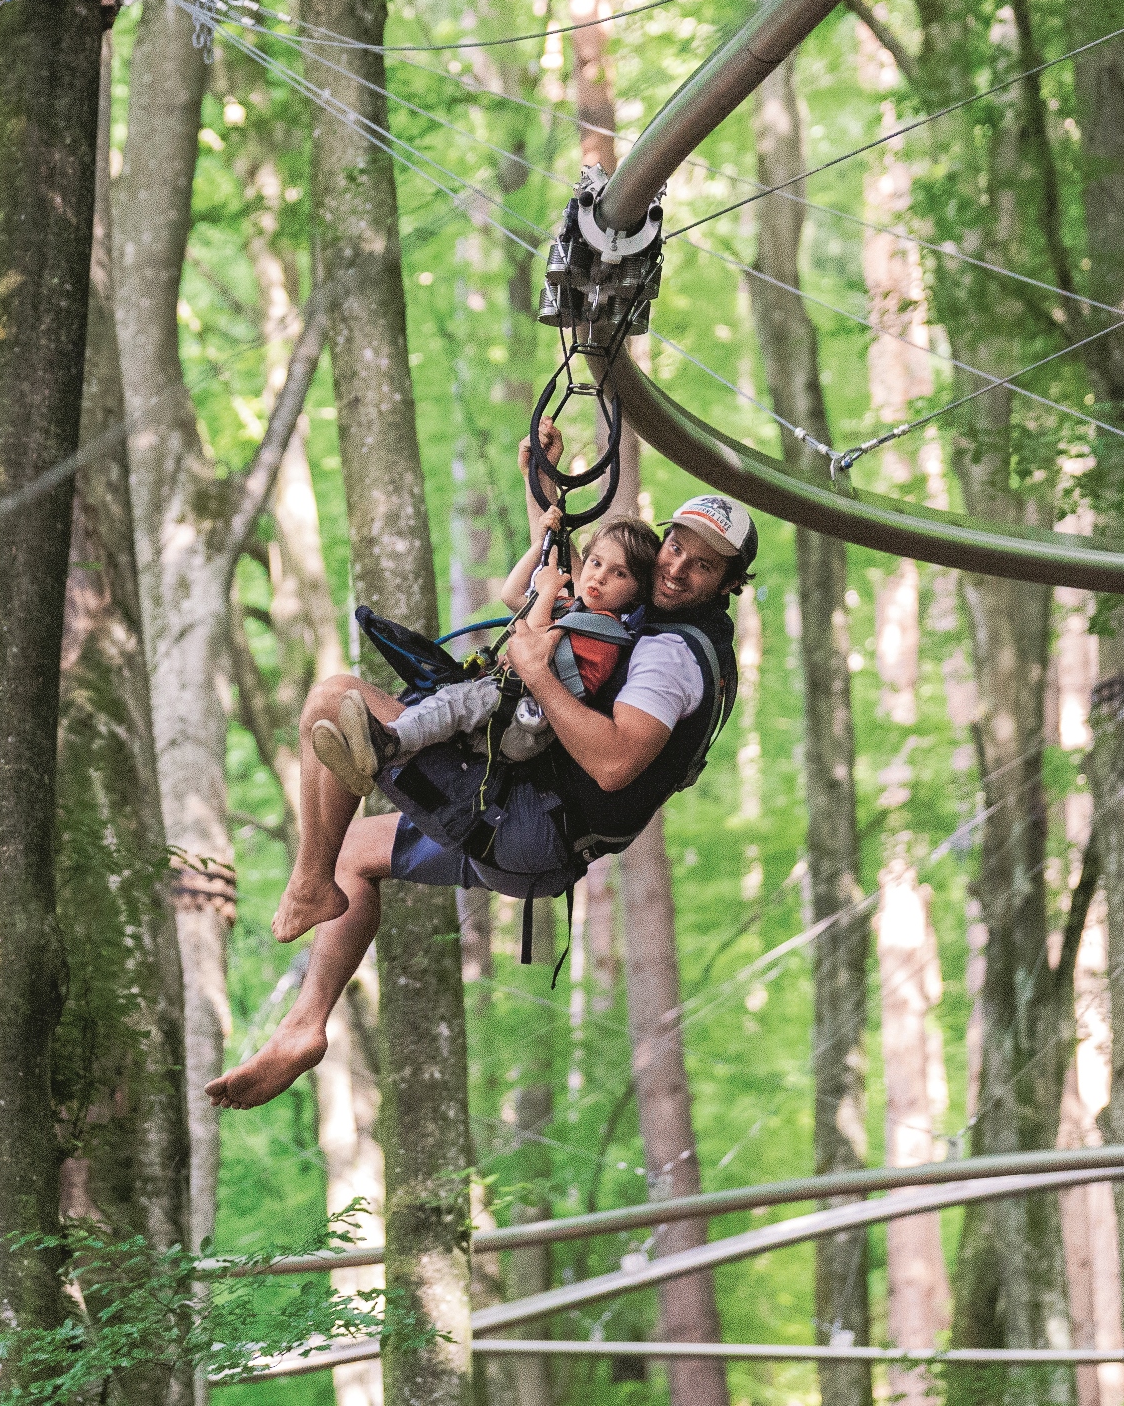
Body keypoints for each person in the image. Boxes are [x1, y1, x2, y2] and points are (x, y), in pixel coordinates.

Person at [206, 421, 757, 1111]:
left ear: (729, 582)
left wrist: (536, 673)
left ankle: (309, 883)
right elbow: (578, 579)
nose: (677, 566)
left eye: (703, 564)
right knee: (357, 848)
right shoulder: (668, 618)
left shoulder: (671, 657)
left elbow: (616, 764)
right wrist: (546, 491)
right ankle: (304, 1027)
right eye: (676, 545)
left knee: (332, 701)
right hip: (541, 839)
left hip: (529, 823)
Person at [309, 506, 660, 790]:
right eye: (596, 563)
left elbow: (530, 640)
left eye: (619, 574)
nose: (599, 577)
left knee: (454, 704)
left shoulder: (606, 632)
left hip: (526, 722)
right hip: (509, 702)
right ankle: (367, 763)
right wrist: (541, 545)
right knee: (444, 701)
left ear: (636, 592)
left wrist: (549, 591)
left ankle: (390, 743)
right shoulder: (574, 610)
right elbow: (511, 594)